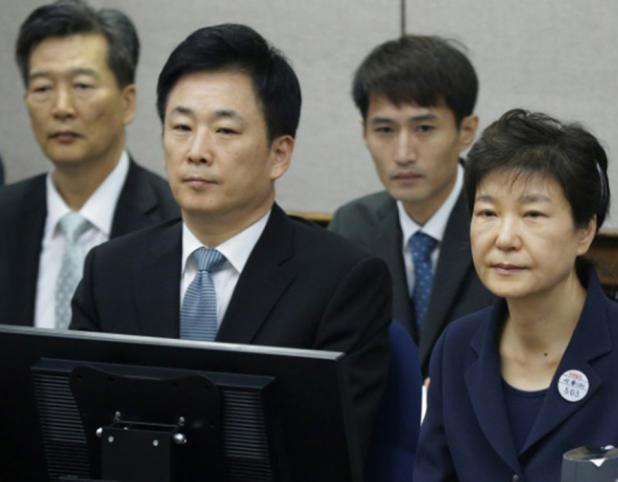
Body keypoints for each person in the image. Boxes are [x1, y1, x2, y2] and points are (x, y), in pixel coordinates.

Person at [69, 23, 391, 458]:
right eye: (181, 126)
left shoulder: (343, 281)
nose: (196, 151)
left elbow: (326, 454)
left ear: (279, 154)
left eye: (224, 131)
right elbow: (74, 432)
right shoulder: (109, 270)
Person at [416, 109, 618, 482]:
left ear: (585, 231)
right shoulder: (456, 347)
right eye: (488, 212)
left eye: (532, 214)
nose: (504, 238)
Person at [0, 0, 178, 328]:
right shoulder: (5, 214)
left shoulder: (177, 221)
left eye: (82, 85)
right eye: (42, 88)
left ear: (127, 103)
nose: (61, 107)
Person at [329, 35, 493, 375]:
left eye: (424, 128)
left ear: (466, 131)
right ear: (364, 133)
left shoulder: (500, 225)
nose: (403, 154)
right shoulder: (351, 226)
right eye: (385, 130)